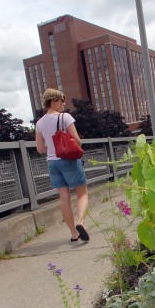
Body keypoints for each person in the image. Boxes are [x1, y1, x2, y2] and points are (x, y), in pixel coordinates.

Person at [35, 88, 90, 242]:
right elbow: (77, 140)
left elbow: (40, 148)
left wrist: (52, 148)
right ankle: (81, 223)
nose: (64, 104)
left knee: (64, 199)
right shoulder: (65, 117)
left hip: (52, 163)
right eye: (61, 101)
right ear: (53, 101)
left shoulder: (39, 123)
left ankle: (74, 234)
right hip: (68, 160)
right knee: (82, 193)